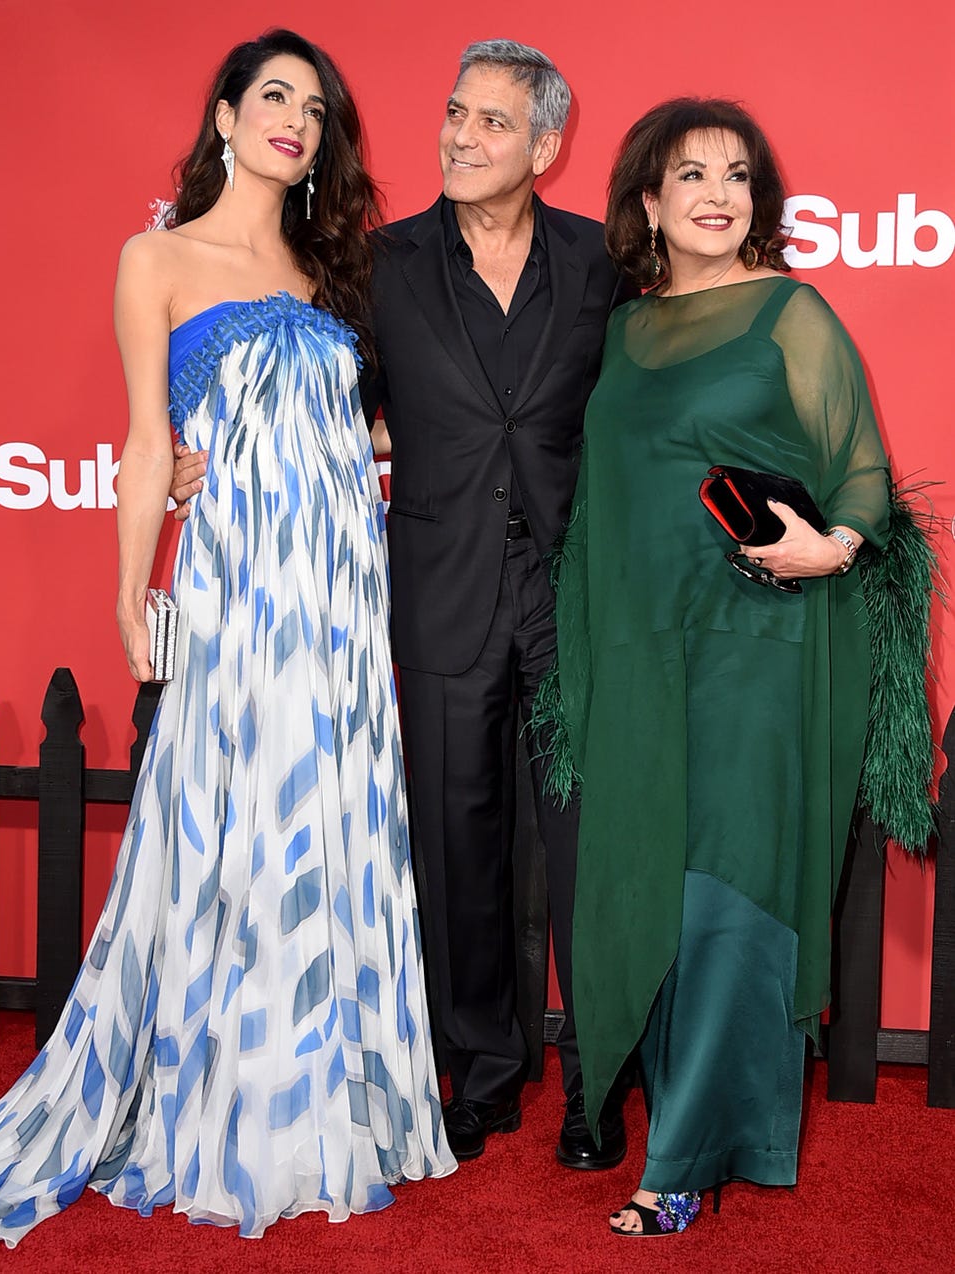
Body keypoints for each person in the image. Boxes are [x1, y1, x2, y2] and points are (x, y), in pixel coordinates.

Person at [0, 29, 454, 1249]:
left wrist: (352, 451)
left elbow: (366, 433)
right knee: (242, 826)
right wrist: (133, 587)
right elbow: (148, 444)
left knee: (333, 818)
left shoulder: (338, 271)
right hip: (242, 591)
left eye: (314, 105)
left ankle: (331, 1100)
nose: (295, 117)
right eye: (274, 95)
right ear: (227, 115)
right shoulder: (157, 257)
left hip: (345, 593)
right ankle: (241, 1103)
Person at [172, 39, 632, 1169]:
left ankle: (596, 1081)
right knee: (453, 840)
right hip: (436, 588)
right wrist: (209, 455)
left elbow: (635, 418)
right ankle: (477, 1072)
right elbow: (324, 404)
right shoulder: (377, 265)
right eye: (454, 112)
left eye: (490, 122)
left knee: (592, 847)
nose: (462, 136)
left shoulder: (597, 262)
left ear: (544, 146)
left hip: (570, 594)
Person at [549, 97, 930, 1236]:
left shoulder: (791, 312)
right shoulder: (619, 331)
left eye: (735, 174)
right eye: (689, 174)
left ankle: (683, 1159)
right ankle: (672, 1109)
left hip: (756, 651)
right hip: (641, 652)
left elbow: (859, 468)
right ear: (647, 201)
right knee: (653, 883)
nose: (716, 192)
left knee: (726, 891)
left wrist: (832, 544)